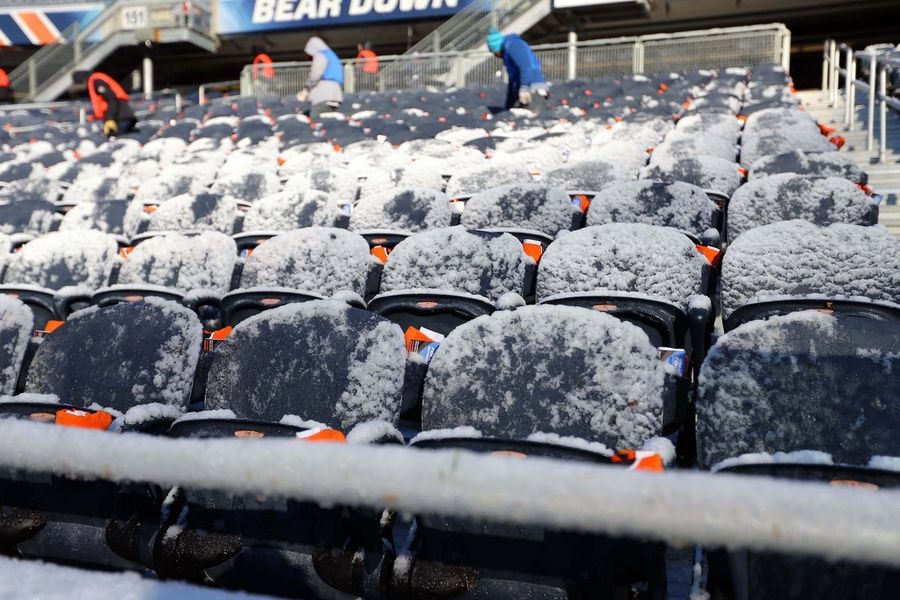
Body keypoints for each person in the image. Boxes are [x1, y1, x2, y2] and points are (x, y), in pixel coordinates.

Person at [486, 28, 548, 112]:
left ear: (496, 47)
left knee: (534, 118)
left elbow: (526, 66)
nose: (495, 56)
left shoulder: (513, 45)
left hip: (533, 88)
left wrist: (524, 88)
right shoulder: (507, 55)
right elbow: (512, 83)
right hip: (524, 90)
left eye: (494, 52)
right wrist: (507, 107)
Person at [74, 71, 136, 137]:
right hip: (119, 118)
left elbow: (112, 99)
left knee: (115, 140)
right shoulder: (95, 81)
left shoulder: (97, 82)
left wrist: (110, 119)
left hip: (121, 117)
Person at [298, 36, 343, 120]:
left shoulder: (321, 55)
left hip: (323, 96)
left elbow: (315, 75)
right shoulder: (332, 55)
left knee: (316, 121)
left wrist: (307, 88)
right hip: (335, 96)